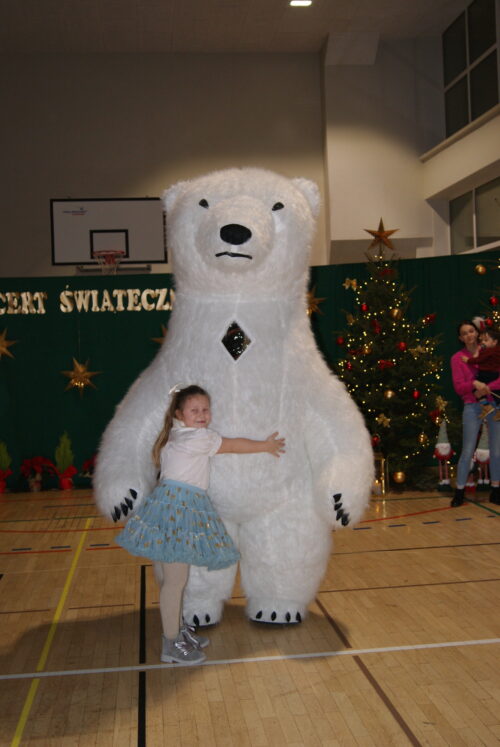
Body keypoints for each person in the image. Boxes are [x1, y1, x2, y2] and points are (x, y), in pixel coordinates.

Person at [115, 384, 286, 664]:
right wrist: (265, 446)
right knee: (175, 582)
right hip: (177, 511)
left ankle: (177, 630)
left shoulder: (177, 433)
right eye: (194, 410)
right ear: (179, 414)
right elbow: (233, 445)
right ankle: (171, 644)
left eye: (205, 409)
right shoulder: (198, 438)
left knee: (173, 581)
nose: (202, 414)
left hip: (171, 508)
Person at [451, 321, 500, 507]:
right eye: (464, 333)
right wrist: (474, 384)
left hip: (494, 404)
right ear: (460, 338)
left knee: (497, 450)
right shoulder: (457, 358)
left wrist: (486, 388)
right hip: (472, 406)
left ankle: (496, 490)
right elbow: (459, 387)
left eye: (471, 331)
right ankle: (459, 491)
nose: (469, 335)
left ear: (478, 333)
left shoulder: (491, 351)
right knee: (467, 450)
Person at [462, 327, 500, 419]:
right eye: (481, 340)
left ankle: (486, 406)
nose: (482, 342)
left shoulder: (489, 351)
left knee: (475, 389)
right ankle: (497, 409)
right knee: (496, 393)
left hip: (486, 374)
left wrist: (468, 360)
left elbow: (479, 360)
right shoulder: (496, 350)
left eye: (486, 340)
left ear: (494, 342)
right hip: (494, 374)